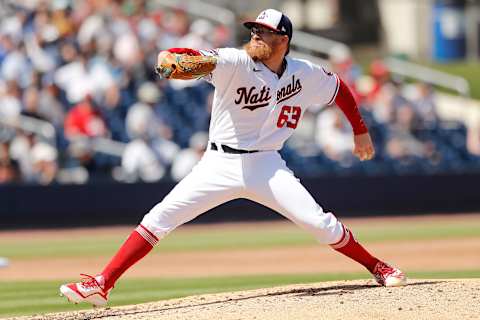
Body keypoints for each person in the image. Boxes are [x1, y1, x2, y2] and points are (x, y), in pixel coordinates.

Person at [60, 9, 406, 307]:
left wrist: (359, 130)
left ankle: (378, 267)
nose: (255, 36)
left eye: (263, 32)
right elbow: (191, 56)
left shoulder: (305, 73)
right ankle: (102, 283)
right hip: (217, 164)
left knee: (320, 224)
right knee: (159, 218)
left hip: (266, 165)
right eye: (253, 30)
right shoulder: (234, 61)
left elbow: (340, 89)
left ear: (282, 39)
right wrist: (169, 57)